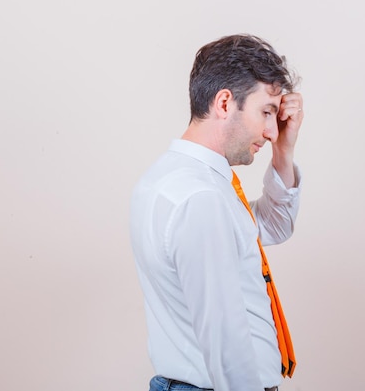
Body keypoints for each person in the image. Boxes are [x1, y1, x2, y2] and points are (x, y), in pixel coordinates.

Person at [130, 34, 304, 391]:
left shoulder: (175, 179)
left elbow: (273, 225)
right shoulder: (200, 198)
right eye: (266, 112)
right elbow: (227, 344)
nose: (273, 131)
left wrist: (284, 153)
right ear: (224, 102)